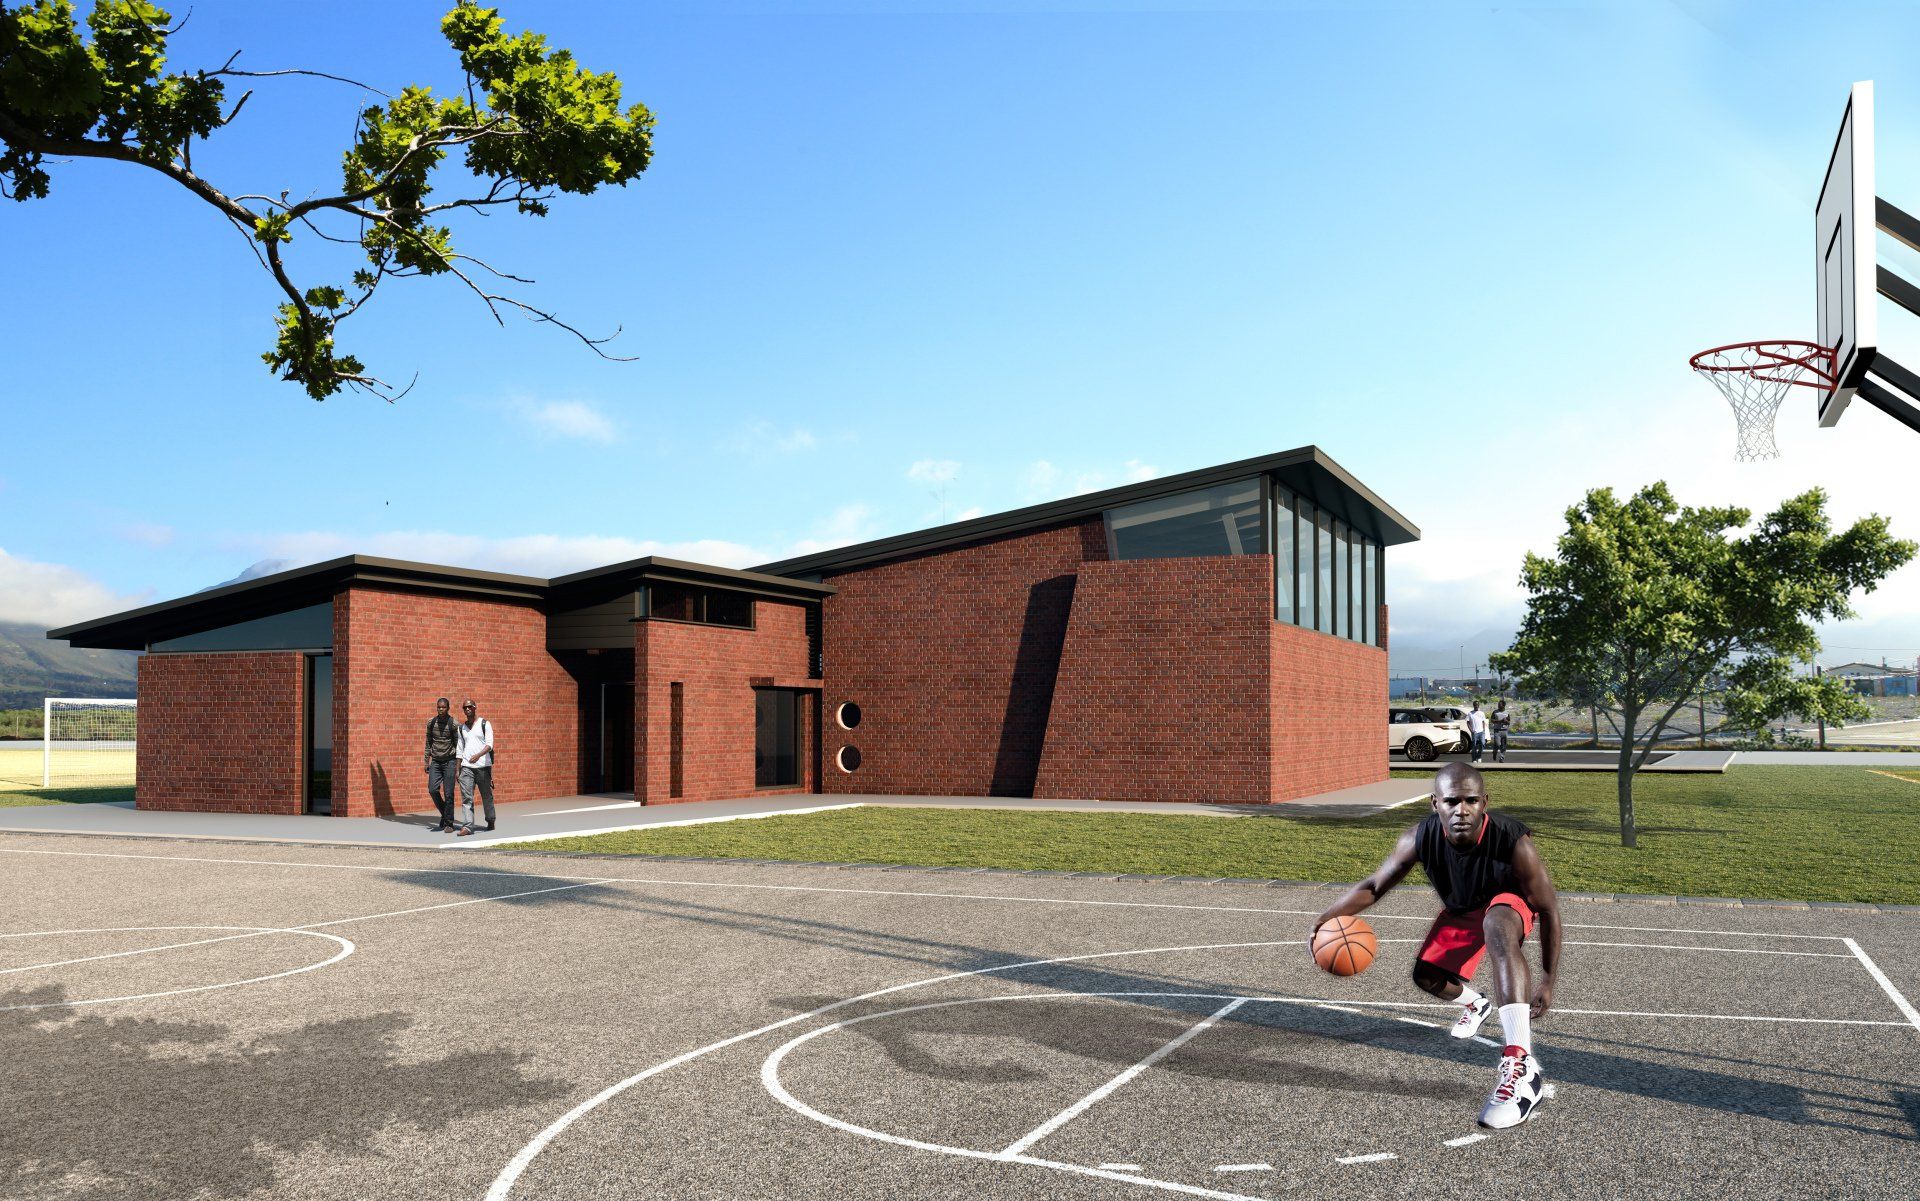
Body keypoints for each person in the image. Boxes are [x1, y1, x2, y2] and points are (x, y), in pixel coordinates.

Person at [1310, 763, 1563, 1129]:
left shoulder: (1513, 841)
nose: (1462, 810)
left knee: (1497, 925)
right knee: (1426, 977)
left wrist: (1548, 979)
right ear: (1435, 804)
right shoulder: (1419, 837)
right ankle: (1476, 1004)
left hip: (1507, 905)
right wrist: (1326, 918)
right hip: (1463, 908)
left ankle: (1520, 1066)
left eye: (1471, 801)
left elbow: (1549, 908)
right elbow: (1375, 886)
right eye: (1452, 801)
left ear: (1484, 802)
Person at [455, 700, 496, 836]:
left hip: (483, 767)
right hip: (467, 767)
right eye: (465, 707)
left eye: (470, 707)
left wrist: (478, 755)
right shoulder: (461, 728)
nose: (467, 709)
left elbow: (489, 745)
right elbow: (459, 749)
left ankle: (490, 819)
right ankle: (467, 827)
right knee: (467, 798)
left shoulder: (484, 724)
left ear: (474, 708)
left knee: (486, 796)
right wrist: (458, 769)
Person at [423, 697, 461, 833]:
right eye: (439, 707)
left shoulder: (454, 724)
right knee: (432, 790)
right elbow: (428, 742)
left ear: (448, 708)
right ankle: (445, 814)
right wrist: (426, 761)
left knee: (448, 793)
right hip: (436, 762)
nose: (441, 709)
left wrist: (458, 766)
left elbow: (459, 746)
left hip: (450, 761)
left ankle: (449, 823)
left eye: (443, 707)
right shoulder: (431, 723)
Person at [1489, 699, 1512, 763]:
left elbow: (1509, 722)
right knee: (1497, 744)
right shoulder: (1495, 712)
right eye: (1498, 704)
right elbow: (1492, 720)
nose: (1498, 705)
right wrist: (1500, 721)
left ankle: (1501, 758)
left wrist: (1506, 721)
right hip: (1497, 731)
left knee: (1503, 745)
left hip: (1504, 730)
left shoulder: (1507, 713)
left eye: (1500, 705)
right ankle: (1494, 751)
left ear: (1503, 705)